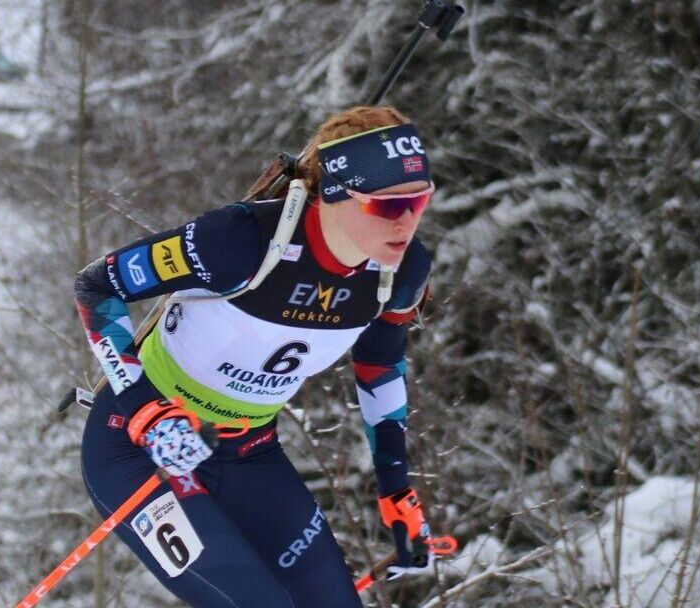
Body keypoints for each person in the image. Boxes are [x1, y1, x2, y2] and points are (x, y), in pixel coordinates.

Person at [76, 105, 437, 607]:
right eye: (388, 207)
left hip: (249, 453)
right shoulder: (240, 241)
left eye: (419, 201)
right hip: (138, 446)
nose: (407, 222)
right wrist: (145, 411)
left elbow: (379, 367)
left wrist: (396, 489)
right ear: (336, 192)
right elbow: (97, 286)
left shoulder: (401, 271)